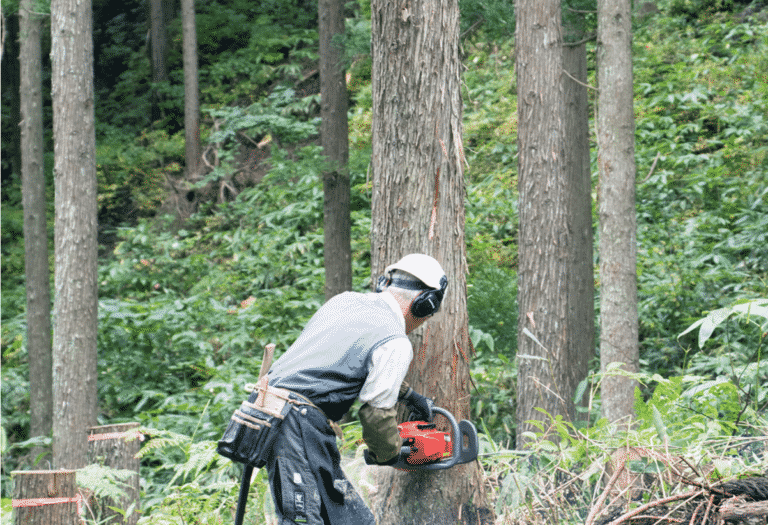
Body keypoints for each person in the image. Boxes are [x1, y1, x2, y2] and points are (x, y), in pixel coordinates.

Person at [262, 253, 448, 524]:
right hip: (296, 423)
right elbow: (376, 416)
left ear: (385, 283)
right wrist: (389, 452)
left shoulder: (344, 302)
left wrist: (410, 396)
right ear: (424, 304)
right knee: (305, 519)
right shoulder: (395, 341)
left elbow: (344, 362)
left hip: (270, 410)